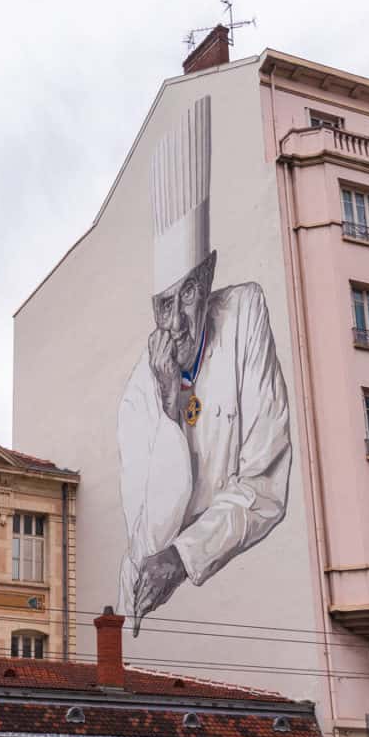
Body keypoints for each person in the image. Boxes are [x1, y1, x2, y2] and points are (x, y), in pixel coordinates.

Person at [117, 95, 291, 634]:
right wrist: (173, 412)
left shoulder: (245, 312)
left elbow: (264, 486)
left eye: (188, 294)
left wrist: (185, 555)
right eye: (162, 304)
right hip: (152, 611)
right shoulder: (138, 394)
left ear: (209, 276)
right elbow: (150, 540)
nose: (175, 321)